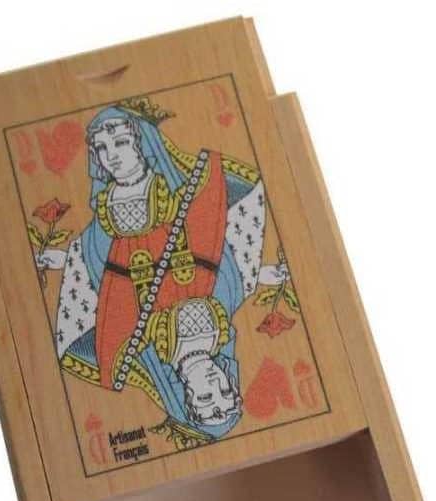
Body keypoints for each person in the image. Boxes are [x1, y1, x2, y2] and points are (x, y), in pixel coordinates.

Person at [37, 97, 288, 447]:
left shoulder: (153, 341)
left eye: (121, 142)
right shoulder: (218, 326)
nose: (113, 156)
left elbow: (102, 271)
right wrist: (264, 275)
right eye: (103, 148)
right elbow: (94, 254)